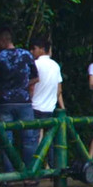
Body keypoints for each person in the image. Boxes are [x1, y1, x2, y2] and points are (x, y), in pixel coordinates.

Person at [0, 25, 39, 177]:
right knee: (29, 139)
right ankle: (30, 174)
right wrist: (24, 88)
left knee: (6, 140)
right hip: (24, 101)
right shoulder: (26, 55)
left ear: (2, 41)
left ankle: (9, 176)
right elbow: (35, 78)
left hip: (4, 103)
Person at [30, 37, 64, 167]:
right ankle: (50, 166)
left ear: (41, 49)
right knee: (48, 139)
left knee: (35, 139)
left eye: (34, 48)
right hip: (49, 108)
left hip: (34, 106)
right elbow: (59, 89)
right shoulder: (55, 66)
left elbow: (31, 86)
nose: (32, 51)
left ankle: (36, 166)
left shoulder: (35, 65)